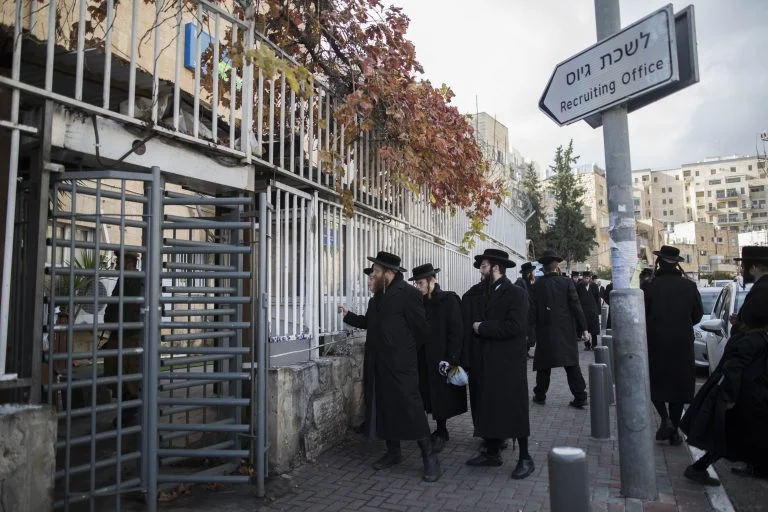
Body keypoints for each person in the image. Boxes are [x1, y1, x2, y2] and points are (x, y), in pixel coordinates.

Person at [338, 251, 440, 482]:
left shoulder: (409, 295)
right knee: (385, 408)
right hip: (377, 365)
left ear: (389, 272)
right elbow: (369, 323)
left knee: (411, 409)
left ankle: (430, 457)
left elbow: (421, 330)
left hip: (401, 366)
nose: (372, 275)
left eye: (375, 271)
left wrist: (402, 352)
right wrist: (349, 316)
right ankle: (393, 452)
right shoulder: (378, 298)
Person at [682, 246, 768, 484]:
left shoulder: (762, 291)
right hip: (751, 369)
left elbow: (751, 332)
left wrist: (742, 327)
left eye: (744, 265)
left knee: (733, 421)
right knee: (739, 422)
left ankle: (701, 467)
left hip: (751, 370)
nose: (741, 269)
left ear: (754, 267)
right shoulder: (760, 290)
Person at [461, 248, 534, 479]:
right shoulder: (482, 293)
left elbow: (515, 326)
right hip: (485, 361)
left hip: (507, 363)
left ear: (495, 268)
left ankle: (525, 457)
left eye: (483, 266)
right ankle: (492, 452)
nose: (479, 271)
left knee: (514, 408)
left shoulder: (516, 293)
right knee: (488, 405)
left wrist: (483, 327)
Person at [643, 245, 704, 446]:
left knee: (655, 382)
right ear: (677, 264)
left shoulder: (649, 286)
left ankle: (665, 419)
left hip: (656, 342)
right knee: (678, 385)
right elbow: (698, 315)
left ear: (659, 262)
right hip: (682, 343)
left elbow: (642, 314)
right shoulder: (689, 286)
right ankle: (674, 429)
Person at [408, 263, 466, 453]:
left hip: (441, 358)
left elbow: (456, 331)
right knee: (424, 395)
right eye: (416, 284)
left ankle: (441, 432)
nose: (418, 287)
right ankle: (427, 431)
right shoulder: (419, 302)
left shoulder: (448, 300)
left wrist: (452, 358)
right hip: (422, 357)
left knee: (441, 397)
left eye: (421, 283)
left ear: (432, 281)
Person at [530, 250, 589, 409]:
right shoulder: (567, 282)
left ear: (544, 268)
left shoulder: (537, 286)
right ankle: (580, 396)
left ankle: (540, 395)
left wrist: (530, 333)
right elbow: (576, 306)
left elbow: (532, 311)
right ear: (557, 267)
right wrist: (584, 329)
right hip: (565, 330)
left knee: (544, 365)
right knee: (571, 364)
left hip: (545, 331)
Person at [103, 252, 143, 427]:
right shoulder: (122, 280)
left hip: (130, 337)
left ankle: (131, 414)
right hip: (119, 336)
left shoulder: (138, 281)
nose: (118, 263)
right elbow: (114, 306)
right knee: (119, 377)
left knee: (130, 379)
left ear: (132, 262)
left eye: (122, 261)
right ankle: (127, 413)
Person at [514, 262, 537, 358]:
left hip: (530, 315)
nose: (534, 274)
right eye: (532, 272)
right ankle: (522, 353)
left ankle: (526, 352)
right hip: (525, 314)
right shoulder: (521, 282)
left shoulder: (528, 283)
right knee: (526, 334)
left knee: (530, 335)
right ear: (529, 273)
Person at [576, 271, 600, 351]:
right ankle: (587, 345)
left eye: (587, 278)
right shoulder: (579, 286)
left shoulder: (594, 286)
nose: (585, 280)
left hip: (593, 310)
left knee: (594, 329)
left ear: (590, 278)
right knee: (584, 328)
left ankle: (594, 344)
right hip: (583, 310)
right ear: (582, 278)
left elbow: (598, 298)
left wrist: (598, 310)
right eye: (584, 278)